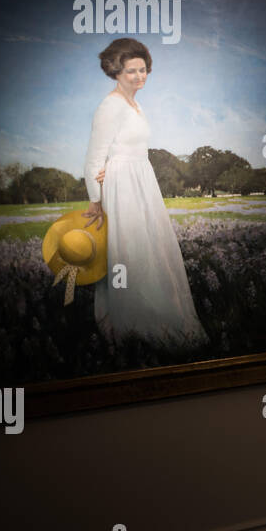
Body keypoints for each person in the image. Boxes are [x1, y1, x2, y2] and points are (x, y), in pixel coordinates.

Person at [82, 38, 208, 349]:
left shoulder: (134, 103)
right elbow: (93, 159)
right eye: (131, 71)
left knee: (151, 250)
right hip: (122, 187)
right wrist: (96, 199)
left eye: (143, 70)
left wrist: (120, 165)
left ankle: (160, 322)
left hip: (141, 179)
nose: (139, 76)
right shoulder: (109, 105)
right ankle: (135, 326)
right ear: (115, 72)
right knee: (132, 251)